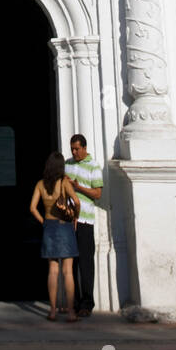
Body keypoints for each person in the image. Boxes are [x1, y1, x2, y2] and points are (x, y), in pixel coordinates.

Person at [29, 151, 79, 322]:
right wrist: (75, 216)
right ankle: (71, 312)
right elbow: (76, 201)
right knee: (68, 271)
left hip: (49, 226)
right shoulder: (64, 182)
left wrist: (43, 221)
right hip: (64, 226)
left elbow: (32, 208)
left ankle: (52, 311)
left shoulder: (41, 184)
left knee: (52, 270)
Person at [64, 133, 103, 316]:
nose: (74, 152)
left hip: (85, 220)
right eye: (72, 148)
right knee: (71, 262)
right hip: (69, 221)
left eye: (77, 149)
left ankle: (87, 303)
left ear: (85, 148)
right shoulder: (68, 164)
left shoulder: (93, 166)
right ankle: (74, 301)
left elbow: (97, 193)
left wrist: (78, 188)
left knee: (86, 263)